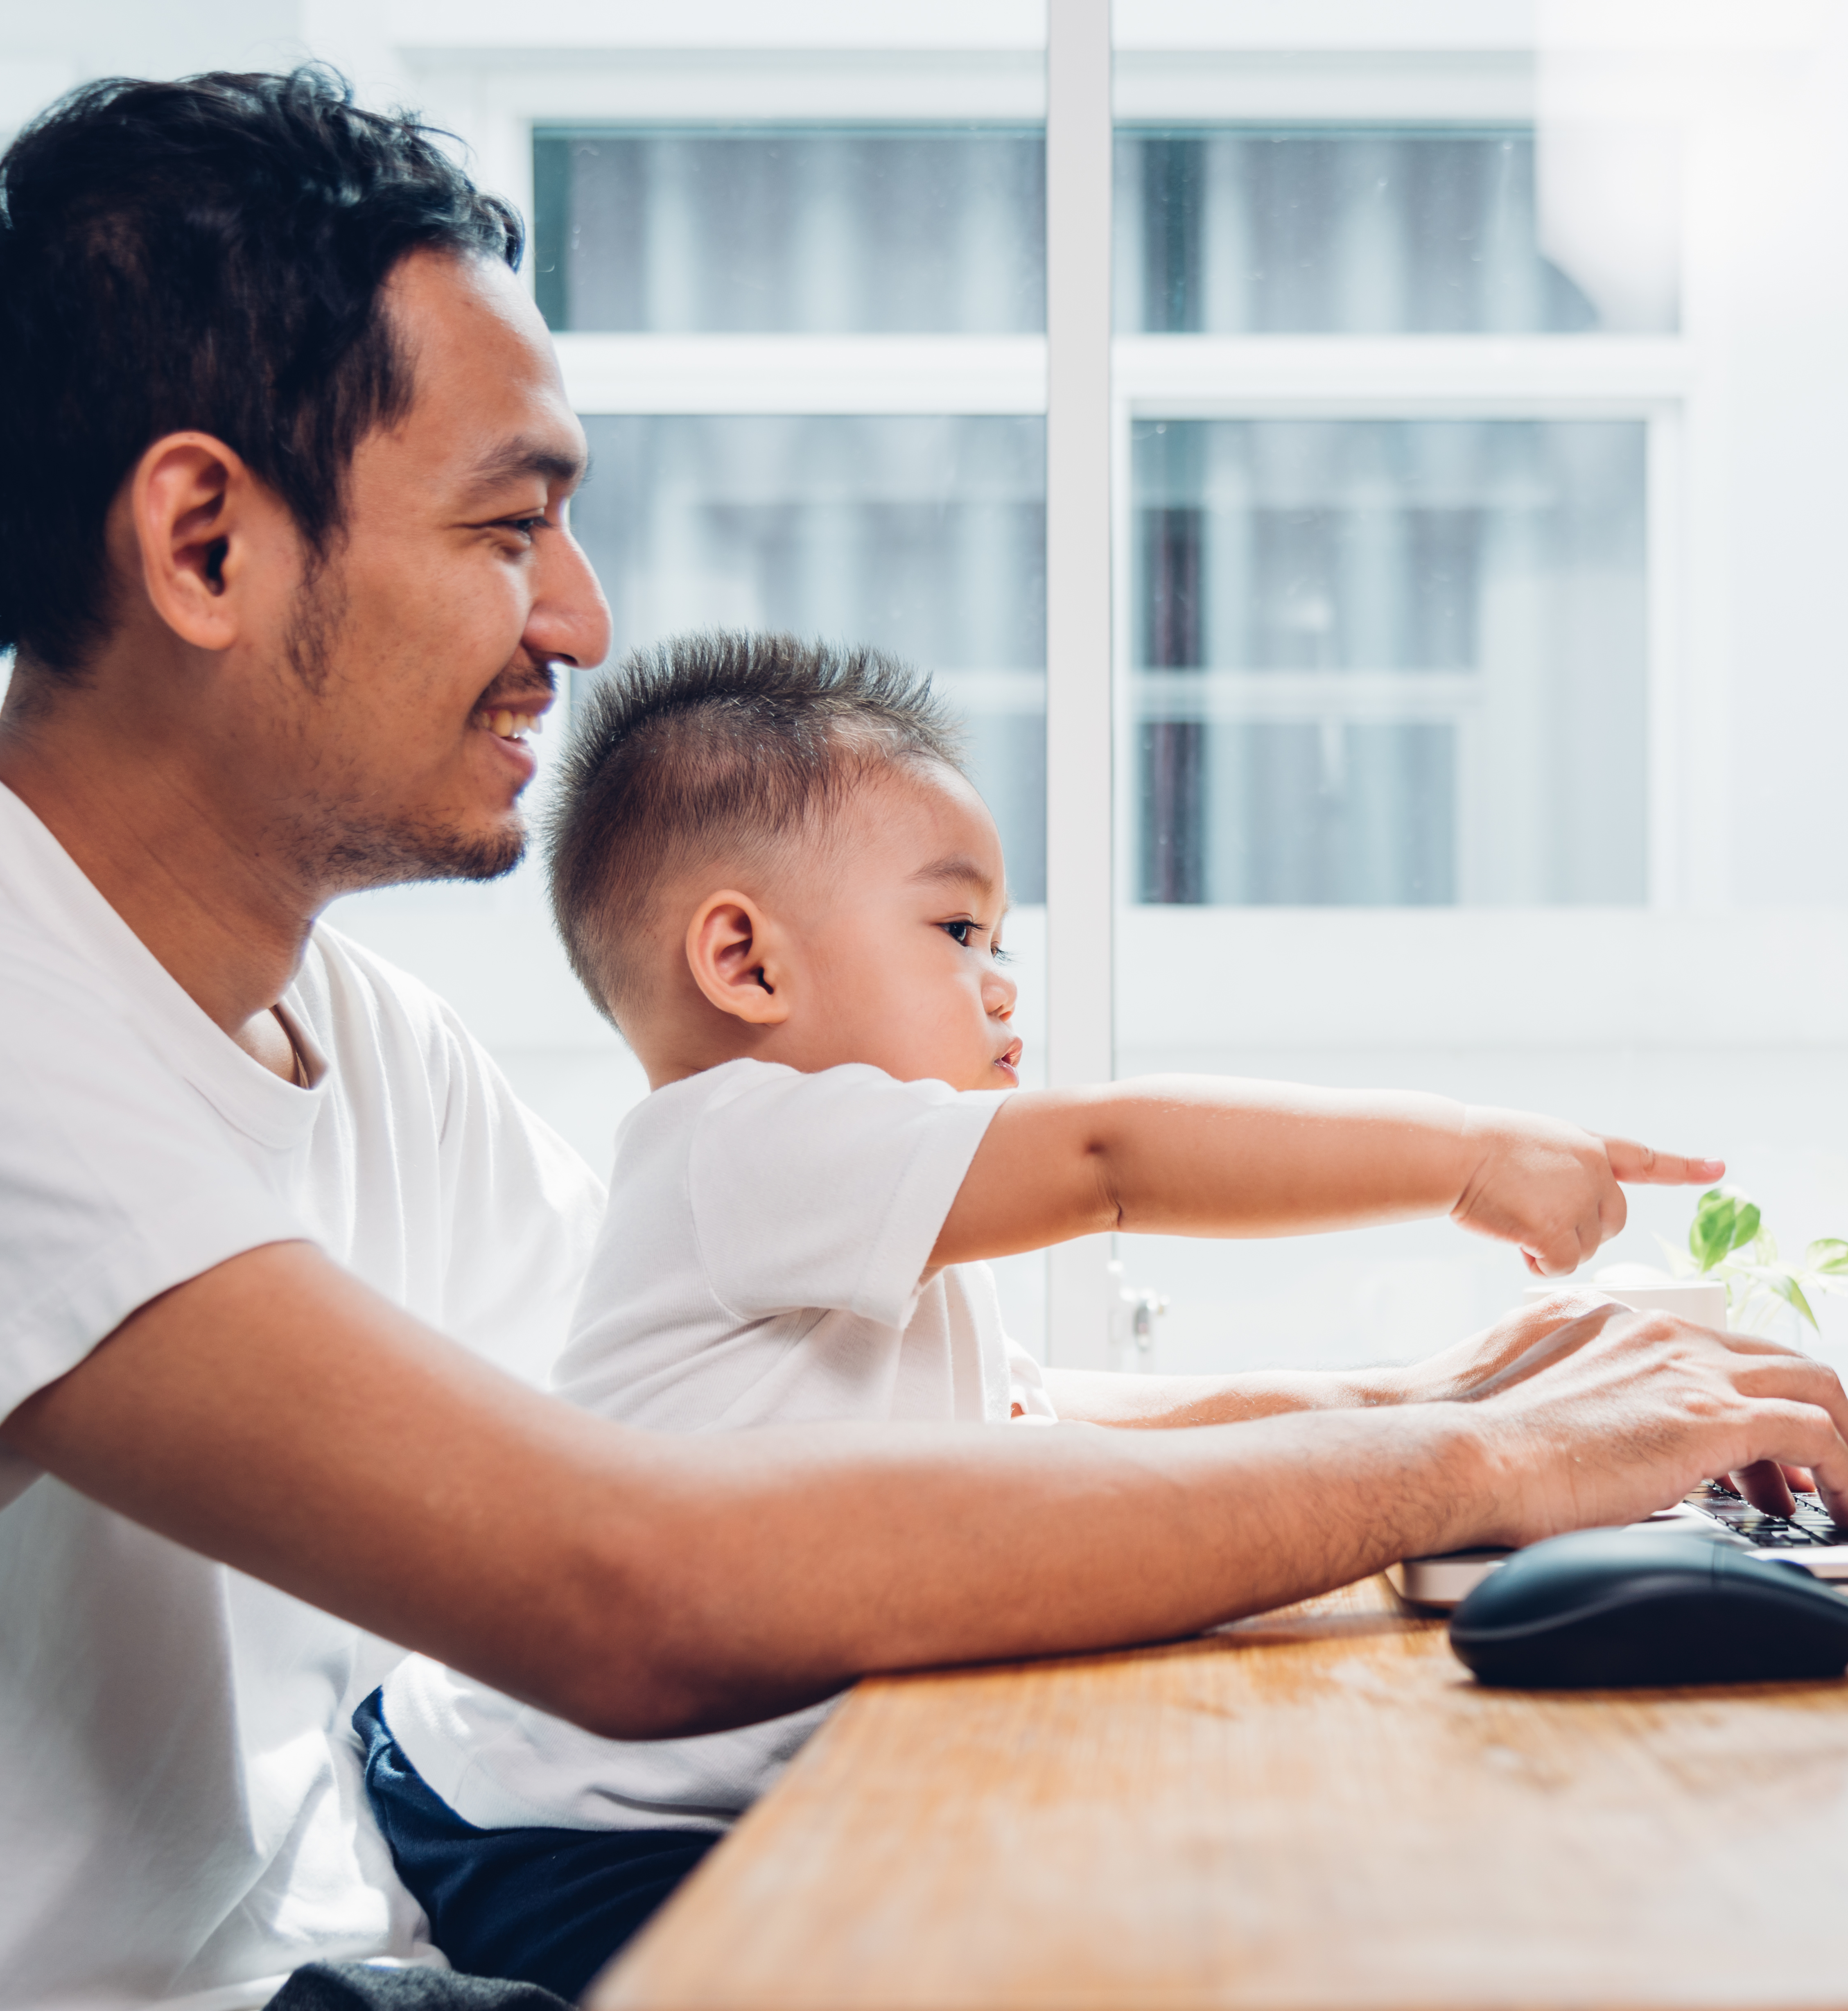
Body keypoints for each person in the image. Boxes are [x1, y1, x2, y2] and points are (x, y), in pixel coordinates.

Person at [0, 67, 1848, 2011]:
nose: (582, 622)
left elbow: (810, 1473)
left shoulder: (357, 1036)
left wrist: (1428, 1396)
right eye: (507, 525)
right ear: (204, 543)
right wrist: (1470, 1461)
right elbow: (628, 1584)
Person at [364, 629, 1746, 1996]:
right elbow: (1111, 1157)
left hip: (570, 1791)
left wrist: (1412, 1400)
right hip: (553, 1827)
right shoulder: (748, 1144)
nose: (1003, 981)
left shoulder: (839, 1227)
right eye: (958, 929)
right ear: (747, 962)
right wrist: (1466, 1153)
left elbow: (1060, 1413)